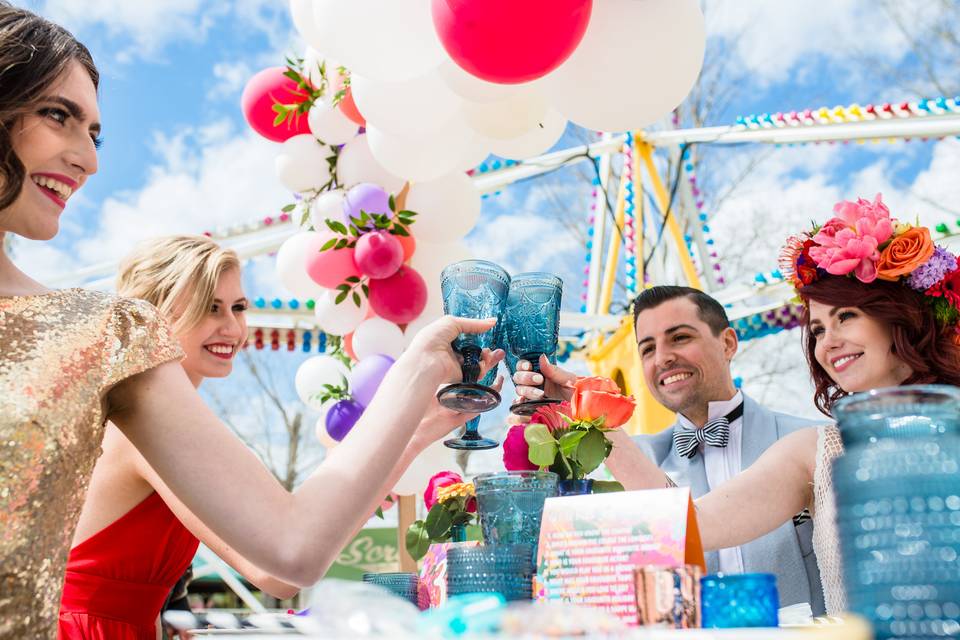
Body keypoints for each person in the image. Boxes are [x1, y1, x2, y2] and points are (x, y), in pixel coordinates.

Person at [0, 5, 499, 636]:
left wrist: (416, 413)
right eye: (57, 114)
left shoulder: (97, 337)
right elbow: (283, 558)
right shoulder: (102, 348)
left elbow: (286, 545)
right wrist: (417, 378)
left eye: (94, 134)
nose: (88, 160)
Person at [530, 194, 960, 614]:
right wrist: (595, 411)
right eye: (817, 329)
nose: (828, 342)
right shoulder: (813, 450)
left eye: (845, 316)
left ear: (901, 315)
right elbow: (690, 525)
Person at [513, 285, 825, 612]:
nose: (662, 358)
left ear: (728, 343)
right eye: (648, 349)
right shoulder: (633, 461)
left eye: (680, 338)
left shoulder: (807, 440)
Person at [59, 236, 289, 638]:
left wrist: (171, 608)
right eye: (209, 308)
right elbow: (279, 569)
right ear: (155, 316)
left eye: (238, 307)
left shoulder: (132, 406)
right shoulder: (145, 418)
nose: (232, 327)